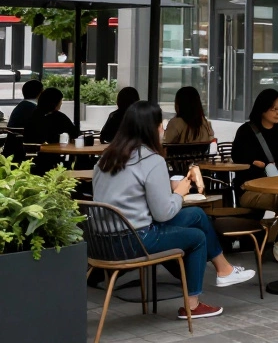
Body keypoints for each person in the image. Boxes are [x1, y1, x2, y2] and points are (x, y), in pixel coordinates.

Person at [93, 100, 255, 319]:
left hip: (102, 242)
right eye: (161, 124)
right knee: (197, 238)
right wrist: (179, 193)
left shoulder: (107, 157)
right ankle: (193, 305)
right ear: (151, 128)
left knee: (196, 215)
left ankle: (223, 269)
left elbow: (131, 189)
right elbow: (163, 213)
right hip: (135, 240)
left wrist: (167, 186)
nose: (163, 129)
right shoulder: (152, 160)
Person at [230, 88, 278, 263]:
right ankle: (275, 238)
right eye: (274, 109)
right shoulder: (246, 131)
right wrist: (255, 166)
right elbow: (238, 161)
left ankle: (272, 238)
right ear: (262, 109)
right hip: (249, 189)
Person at [26, 88, 80, 174]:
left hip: (33, 159)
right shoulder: (58, 117)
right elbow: (75, 133)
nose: (61, 103)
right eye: (60, 101)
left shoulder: (33, 115)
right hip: (51, 159)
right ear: (55, 102)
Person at [1, 78, 43, 160]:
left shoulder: (20, 107)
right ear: (40, 94)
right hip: (28, 153)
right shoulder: (36, 111)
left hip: (11, 153)